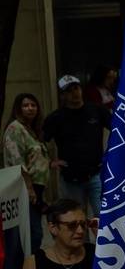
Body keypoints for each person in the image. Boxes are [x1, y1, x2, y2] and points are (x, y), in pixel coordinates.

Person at [44, 75, 108, 213]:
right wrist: (50, 162)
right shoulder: (55, 118)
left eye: (76, 88)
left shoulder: (97, 110)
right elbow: (39, 142)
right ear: (62, 95)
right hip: (70, 180)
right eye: (69, 91)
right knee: (76, 220)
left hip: (97, 175)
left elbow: (119, 129)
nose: (74, 93)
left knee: (103, 217)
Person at [22, 196, 90, 269]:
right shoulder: (34, 263)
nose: (80, 231)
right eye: (72, 225)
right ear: (53, 228)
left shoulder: (97, 254)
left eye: (83, 224)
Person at [5, 91, 51, 229]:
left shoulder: (31, 129)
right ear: (18, 108)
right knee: (32, 232)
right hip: (24, 186)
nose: (30, 108)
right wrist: (29, 189)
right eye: (25, 105)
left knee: (34, 230)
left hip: (37, 186)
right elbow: (17, 162)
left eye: (33, 105)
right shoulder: (15, 128)